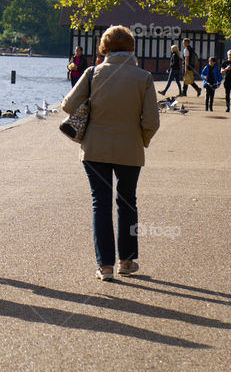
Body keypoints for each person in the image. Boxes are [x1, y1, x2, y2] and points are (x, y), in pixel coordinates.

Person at [61, 25, 160, 281]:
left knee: (100, 203)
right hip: (130, 148)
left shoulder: (93, 73)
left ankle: (105, 266)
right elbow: (151, 122)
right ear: (131, 47)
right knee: (127, 202)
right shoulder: (144, 77)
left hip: (95, 148)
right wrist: (141, 140)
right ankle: (126, 261)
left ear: (104, 47)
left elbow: (68, 105)